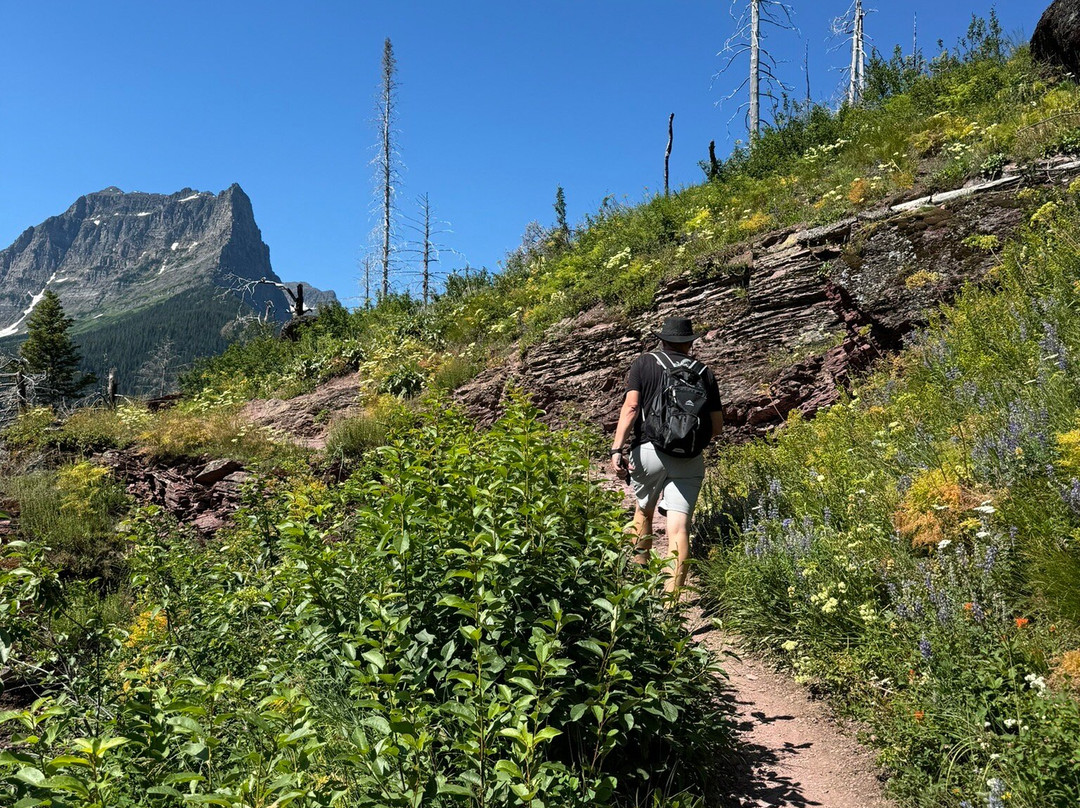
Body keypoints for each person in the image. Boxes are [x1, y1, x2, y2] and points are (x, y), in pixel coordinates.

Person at [610, 316, 724, 596]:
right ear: (689, 343)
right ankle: (672, 601)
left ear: (662, 340)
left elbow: (631, 408)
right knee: (679, 528)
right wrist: (688, 442)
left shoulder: (645, 363)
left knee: (643, 511)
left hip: (649, 450)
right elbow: (717, 426)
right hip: (690, 457)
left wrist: (617, 448)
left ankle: (641, 585)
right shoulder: (704, 372)